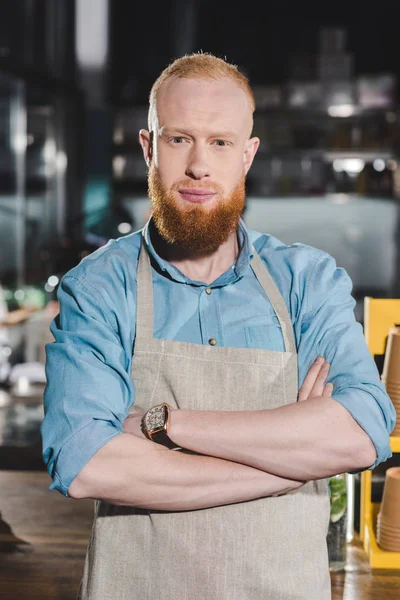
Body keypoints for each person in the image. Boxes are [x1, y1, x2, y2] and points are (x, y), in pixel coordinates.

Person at [41, 53, 395, 600]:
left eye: (222, 142)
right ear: (148, 147)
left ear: (248, 155)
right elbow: (85, 463)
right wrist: (286, 467)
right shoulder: (98, 287)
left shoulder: (307, 281)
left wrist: (167, 425)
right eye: (180, 138)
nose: (200, 165)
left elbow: (361, 432)